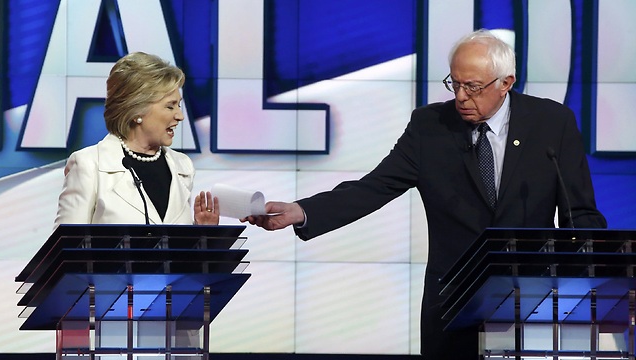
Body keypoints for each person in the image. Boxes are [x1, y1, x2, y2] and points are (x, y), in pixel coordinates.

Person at [243, 29, 607, 358]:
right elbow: (374, 187)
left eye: (474, 87)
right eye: (455, 84)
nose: (461, 97)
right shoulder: (429, 126)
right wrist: (301, 211)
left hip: (531, 300)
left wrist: (603, 281)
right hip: (452, 301)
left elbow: (581, 214)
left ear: (506, 83)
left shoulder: (551, 123)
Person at [54, 51, 219, 228]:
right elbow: (67, 248)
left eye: (178, 105)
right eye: (170, 106)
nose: (180, 116)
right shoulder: (89, 165)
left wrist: (202, 235)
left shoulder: (182, 166)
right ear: (137, 110)